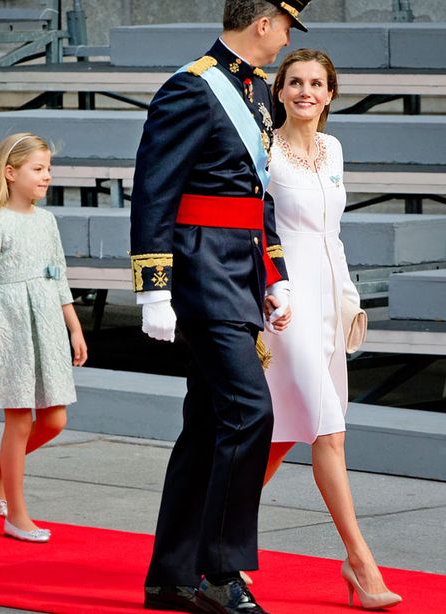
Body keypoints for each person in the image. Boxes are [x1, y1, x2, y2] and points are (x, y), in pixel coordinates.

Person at [130, 1, 312, 612]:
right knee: (249, 411)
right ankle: (218, 572)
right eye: (287, 28)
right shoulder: (192, 87)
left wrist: (275, 274)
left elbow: (255, 194)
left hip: (239, 268)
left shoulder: (257, 91)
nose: (287, 40)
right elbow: (155, 188)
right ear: (264, 24)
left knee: (209, 424)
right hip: (200, 269)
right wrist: (155, 287)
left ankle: (172, 575)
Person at [259, 49, 402, 610]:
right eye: (294, 82)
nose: (305, 91)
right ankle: (361, 563)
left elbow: (331, 233)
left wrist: (347, 296)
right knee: (327, 430)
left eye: (316, 83)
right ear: (280, 91)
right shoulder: (264, 150)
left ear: (331, 93)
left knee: (277, 438)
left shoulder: (334, 148)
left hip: (329, 299)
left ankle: (215, 543)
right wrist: (274, 289)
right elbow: (256, 225)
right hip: (283, 301)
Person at [0, 133, 88, 544]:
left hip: (48, 321)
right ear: (11, 173)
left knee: (54, 419)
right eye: (38, 169)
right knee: (18, 421)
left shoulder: (47, 220)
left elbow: (60, 276)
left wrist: (74, 326)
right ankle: (16, 514)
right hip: (10, 327)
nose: (46, 176)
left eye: (49, 168)